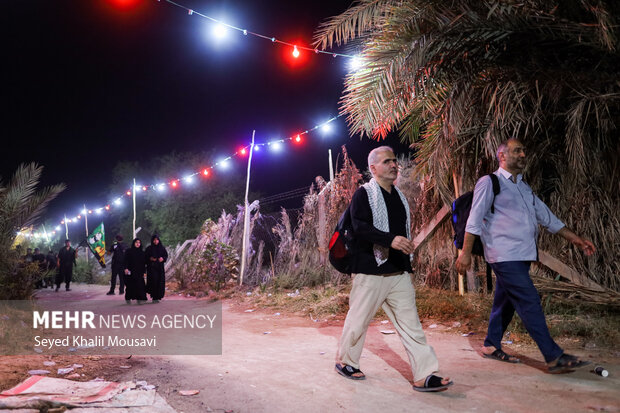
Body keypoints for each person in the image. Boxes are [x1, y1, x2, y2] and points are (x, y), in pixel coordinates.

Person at [456, 138, 596, 373]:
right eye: (517, 151)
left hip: (521, 255)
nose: (523, 155)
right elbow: (474, 218)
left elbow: (547, 217)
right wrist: (465, 253)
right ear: (502, 156)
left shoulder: (523, 186)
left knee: (507, 301)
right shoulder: (489, 182)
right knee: (528, 299)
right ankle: (553, 356)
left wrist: (576, 239)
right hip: (503, 254)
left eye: (524, 151)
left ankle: (491, 345)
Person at [335, 146, 452, 392]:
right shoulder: (364, 194)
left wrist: (404, 253)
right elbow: (360, 228)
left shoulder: (399, 197)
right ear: (374, 168)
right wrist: (391, 240)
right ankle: (346, 361)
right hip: (370, 270)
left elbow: (402, 233)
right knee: (358, 321)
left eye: (394, 161)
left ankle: (425, 374)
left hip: (398, 272)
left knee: (412, 326)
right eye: (387, 161)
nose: (394, 165)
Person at [145, 234, 168, 303]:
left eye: (157, 240)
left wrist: (163, 258)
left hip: (160, 268)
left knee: (160, 281)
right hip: (152, 268)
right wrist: (150, 258)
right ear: (152, 240)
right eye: (154, 240)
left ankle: (158, 296)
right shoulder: (149, 248)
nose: (156, 241)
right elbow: (145, 257)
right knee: (154, 282)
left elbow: (165, 256)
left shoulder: (162, 248)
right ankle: (154, 297)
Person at [123, 238, 147, 304]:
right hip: (131, 271)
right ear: (134, 243)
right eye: (136, 242)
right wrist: (126, 268)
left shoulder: (142, 253)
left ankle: (139, 299)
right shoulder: (129, 251)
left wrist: (144, 272)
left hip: (139, 272)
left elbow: (144, 263)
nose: (138, 244)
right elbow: (125, 261)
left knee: (140, 285)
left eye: (139, 242)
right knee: (130, 285)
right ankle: (128, 299)